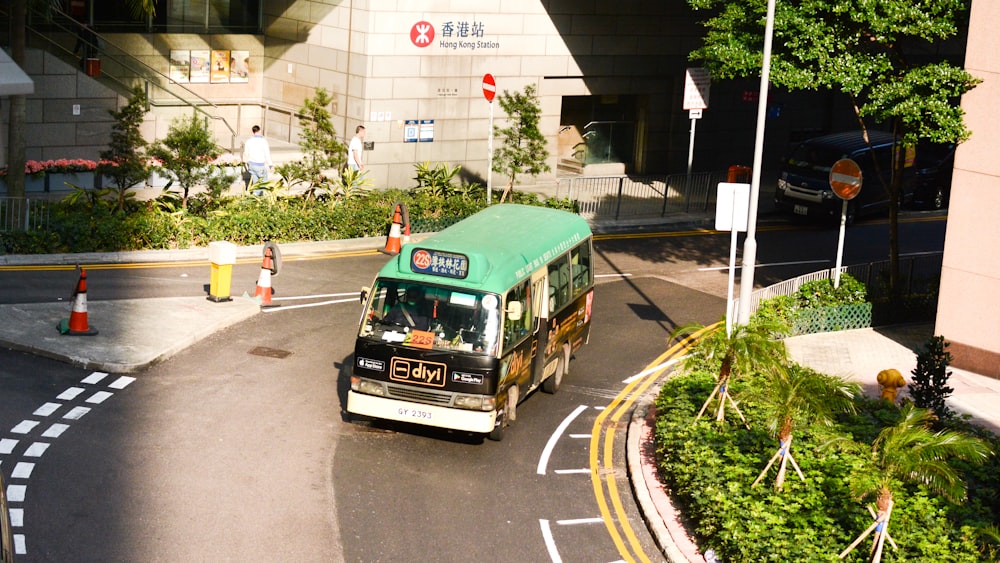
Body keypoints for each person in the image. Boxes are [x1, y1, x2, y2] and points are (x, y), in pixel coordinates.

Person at [242, 125, 273, 195]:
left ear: (253, 132)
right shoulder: (263, 141)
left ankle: (255, 195)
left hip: (252, 165)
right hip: (260, 165)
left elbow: (246, 153)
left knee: (255, 182)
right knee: (263, 182)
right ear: (260, 131)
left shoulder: (248, 141)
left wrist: (245, 161)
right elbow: (267, 154)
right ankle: (261, 196)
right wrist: (270, 164)